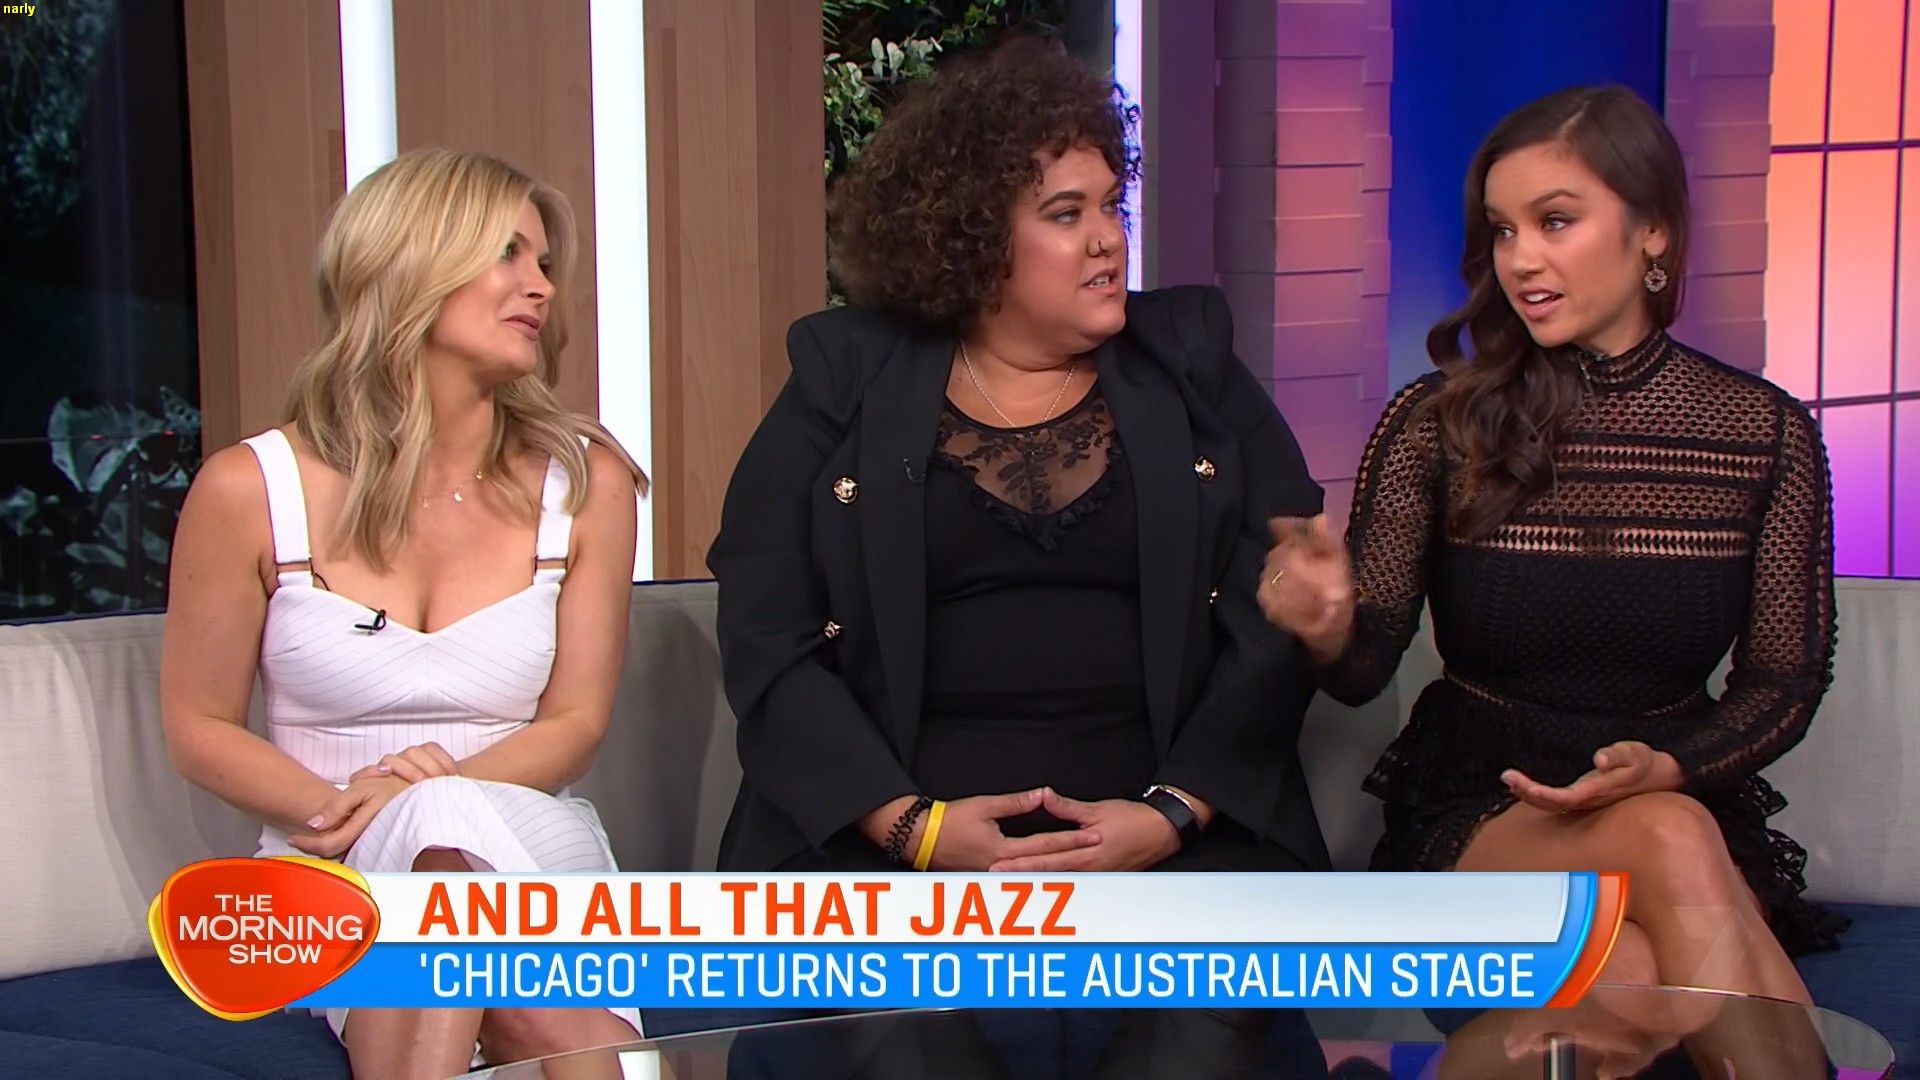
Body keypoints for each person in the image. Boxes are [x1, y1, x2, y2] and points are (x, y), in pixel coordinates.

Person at [710, 36, 1329, 1079]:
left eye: (1111, 207)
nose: (1108, 241)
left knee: (1201, 1036)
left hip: (1171, 841)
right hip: (890, 850)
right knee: (899, 1037)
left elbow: (1272, 620)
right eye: (1066, 214)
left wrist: (1170, 817)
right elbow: (766, 635)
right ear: (973, 242)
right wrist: (913, 831)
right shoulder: (843, 378)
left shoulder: (1191, 364)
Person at [1258, 86, 1844, 1076]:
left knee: (1640, 948)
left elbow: (1783, 679)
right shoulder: (1438, 423)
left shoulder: (1765, 434)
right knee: (1668, 841)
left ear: (1653, 230)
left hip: (1676, 799)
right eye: (1503, 231)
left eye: (1555, 222)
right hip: (1481, 815)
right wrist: (1325, 626)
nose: (1521, 260)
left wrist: (1671, 767)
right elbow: (1362, 672)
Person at [161, 148, 649, 1079]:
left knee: (448, 829)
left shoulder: (587, 483)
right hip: (331, 858)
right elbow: (199, 727)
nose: (541, 287)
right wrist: (363, 806)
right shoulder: (249, 489)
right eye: (506, 253)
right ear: (410, 265)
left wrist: (427, 794)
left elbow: (576, 724)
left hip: (530, 839)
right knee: (448, 862)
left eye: (545, 262)